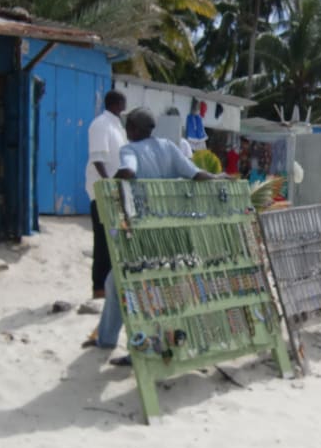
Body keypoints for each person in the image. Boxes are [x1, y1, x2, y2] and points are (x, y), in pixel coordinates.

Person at [83, 108, 227, 361]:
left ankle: (140, 349)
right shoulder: (169, 147)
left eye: (128, 127)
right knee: (115, 282)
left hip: (143, 234)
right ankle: (106, 339)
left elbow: (128, 171)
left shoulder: (130, 150)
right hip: (171, 233)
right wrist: (218, 178)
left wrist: (111, 183)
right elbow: (196, 174)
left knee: (139, 288)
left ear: (134, 130)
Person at [85, 90, 127, 299]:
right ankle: (99, 288)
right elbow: (97, 157)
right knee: (102, 241)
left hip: (116, 192)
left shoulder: (117, 126)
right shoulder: (101, 124)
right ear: (117, 103)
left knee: (114, 240)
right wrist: (109, 184)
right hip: (102, 192)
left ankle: (110, 285)